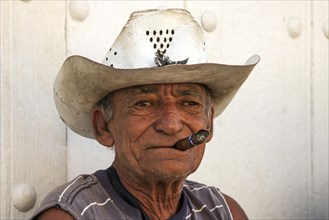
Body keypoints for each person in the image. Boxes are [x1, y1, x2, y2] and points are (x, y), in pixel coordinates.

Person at [32, 8, 259, 220]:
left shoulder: (224, 212)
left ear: (208, 124)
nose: (170, 125)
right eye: (144, 104)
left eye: (189, 103)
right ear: (103, 126)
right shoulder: (73, 215)